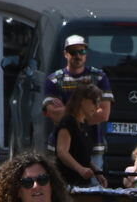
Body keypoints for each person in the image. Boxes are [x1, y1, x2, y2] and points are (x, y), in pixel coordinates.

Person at [44, 35, 113, 171]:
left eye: (82, 51)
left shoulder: (98, 77)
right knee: (61, 189)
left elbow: (104, 114)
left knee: (92, 190)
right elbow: (52, 113)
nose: (78, 56)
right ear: (65, 54)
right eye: (73, 52)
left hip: (92, 147)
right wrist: (84, 112)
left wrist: (67, 112)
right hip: (61, 147)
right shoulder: (54, 80)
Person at [53, 83, 107, 188]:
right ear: (82, 100)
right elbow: (62, 152)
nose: (97, 108)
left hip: (82, 184)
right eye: (94, 102)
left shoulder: (86, 125)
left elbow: (83, 156)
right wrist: (80, 169)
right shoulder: (68, 122)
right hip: (67, 183)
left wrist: (97, 173)